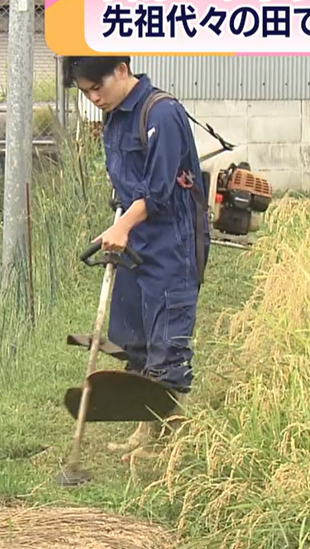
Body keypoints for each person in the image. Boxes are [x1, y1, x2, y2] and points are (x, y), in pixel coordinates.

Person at [63, 55, 211, 453]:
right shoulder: (114, 117)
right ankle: (146, 432)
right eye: (86, 93)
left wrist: (123, 226)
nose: (94, 98)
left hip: (171, 245)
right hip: (134, 245)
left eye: (99, 87)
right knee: (138, 344)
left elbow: (159, 191)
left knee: (167, 344)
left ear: (123, 71)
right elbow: (126, 184)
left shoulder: (161, 113)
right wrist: (120, 225)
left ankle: (172, 442)